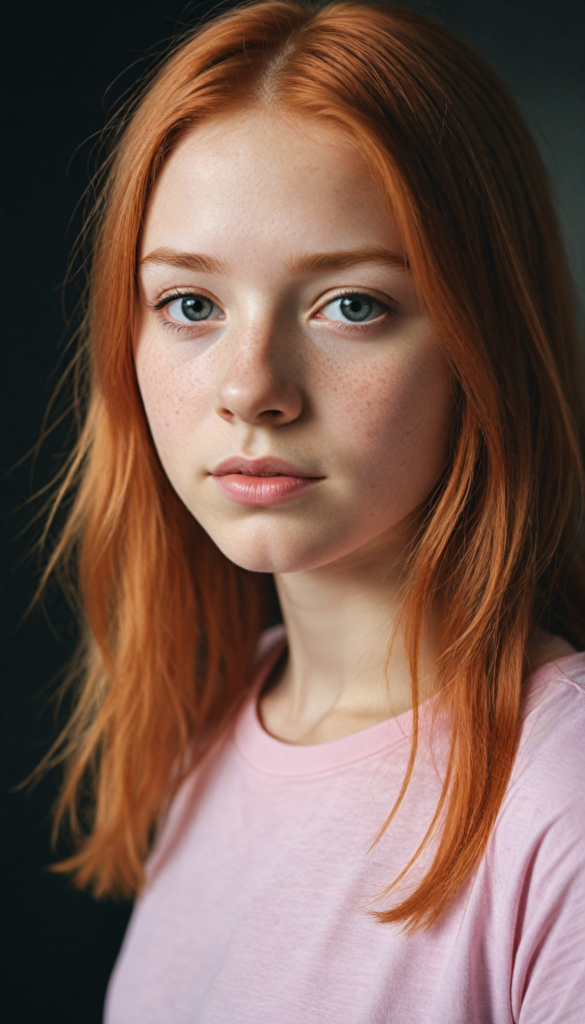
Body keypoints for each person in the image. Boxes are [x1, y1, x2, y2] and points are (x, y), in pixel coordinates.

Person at [42, 1, 585, 1021]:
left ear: (484, 339)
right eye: (191, 305)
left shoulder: (562, 796)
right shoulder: (217, 730)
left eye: (352, 304)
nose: (252, 388)